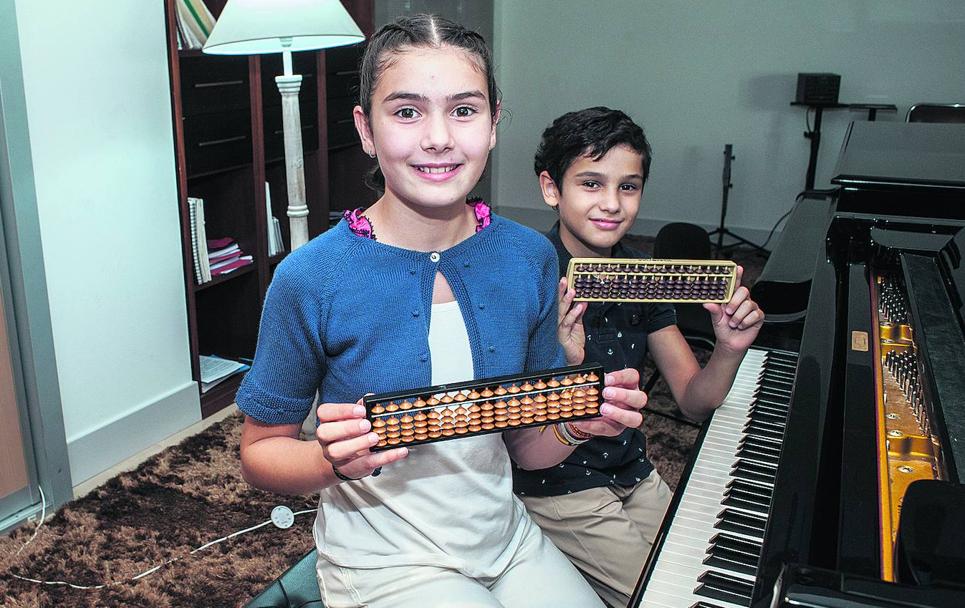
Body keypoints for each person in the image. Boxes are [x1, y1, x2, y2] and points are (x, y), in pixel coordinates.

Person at [235, 19, 651, 608]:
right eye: (407, 111)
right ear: (366, 130)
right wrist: (331, 461)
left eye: (463, 110)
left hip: (507, 541)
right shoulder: (311, 278)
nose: (438, 138)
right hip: (386, 563)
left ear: (493, 123)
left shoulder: (528, 257)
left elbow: (526, 446)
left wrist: (576, 423)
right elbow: (259, 454)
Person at [512, 107, 765, 608]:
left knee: (706, 568)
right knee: (667, 595)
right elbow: (516, 435)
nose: (612, 204)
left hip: (631, 468)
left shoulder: (642, 275)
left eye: (628, 186)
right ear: (551, 188)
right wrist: (566, 363)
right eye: (591, 183)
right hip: (557, 488)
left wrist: (729, 350)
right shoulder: (528, 279)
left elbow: (694, 402)